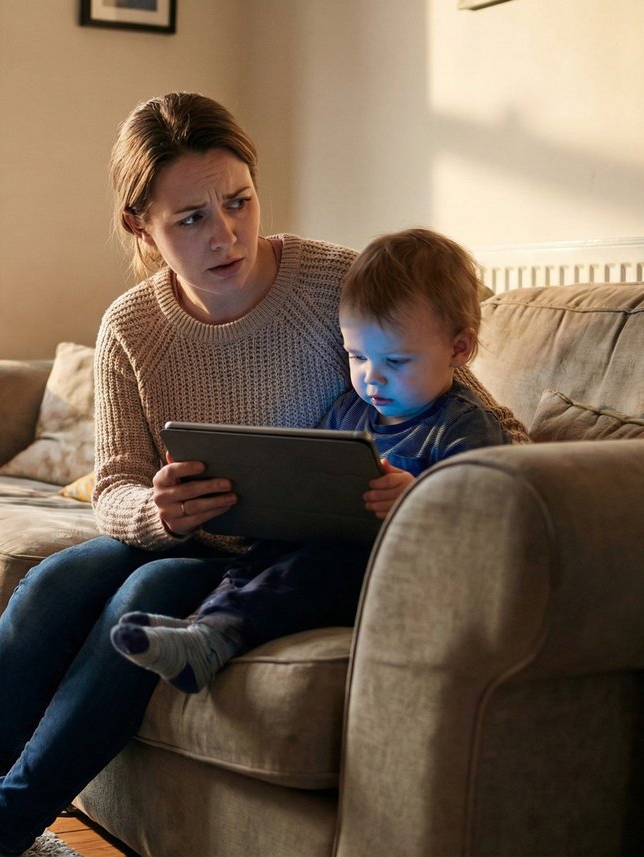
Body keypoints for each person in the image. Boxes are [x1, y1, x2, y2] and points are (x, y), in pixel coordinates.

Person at [0, 92, 526, 857]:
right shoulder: (131, 328)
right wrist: (157, 512)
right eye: (192, 217)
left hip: (300, 557)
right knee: (57, 581)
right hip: (192, 538)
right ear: (142, 225)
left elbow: (488, 422)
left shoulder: (340, 284)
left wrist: (426, 484)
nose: (227, 232)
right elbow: (114, 490)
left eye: (239, 200)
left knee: (141, 595)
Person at [110, 227, 517, 694]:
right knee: (266, 550)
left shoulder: (466, 426)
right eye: (357, 356)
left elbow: (494, 516)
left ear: (459, 349)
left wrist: (421, 498)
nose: (372, 378)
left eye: (397, 362)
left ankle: (216, 636)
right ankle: (206, 631)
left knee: (327, 559)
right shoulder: (349, 410)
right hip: (326, 548)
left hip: (392, 574)